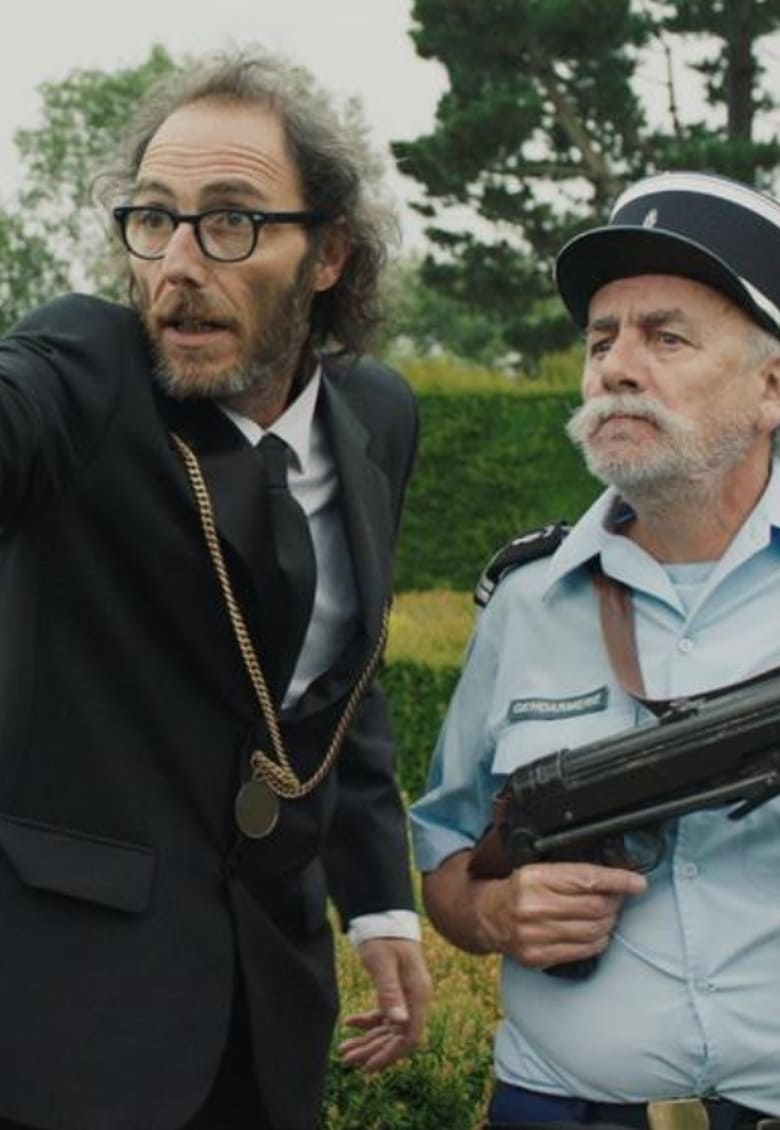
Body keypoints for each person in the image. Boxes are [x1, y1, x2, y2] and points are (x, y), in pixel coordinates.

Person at [0, 48, 431, 1130]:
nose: (179, 264)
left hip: (269, 1010)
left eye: (231, 221)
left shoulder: (379, 417)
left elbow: (339, 678)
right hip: (61, 1024)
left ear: (329, 253)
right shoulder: (87, 367)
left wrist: (380, 902)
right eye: (154, 219)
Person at [410, 170, 780, 1130]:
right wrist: (490, 915)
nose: (617, 367)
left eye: (665, 337)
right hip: (559, 1108)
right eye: (601, 340)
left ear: (772, 386)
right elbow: (448, 851)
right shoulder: (524, 601)